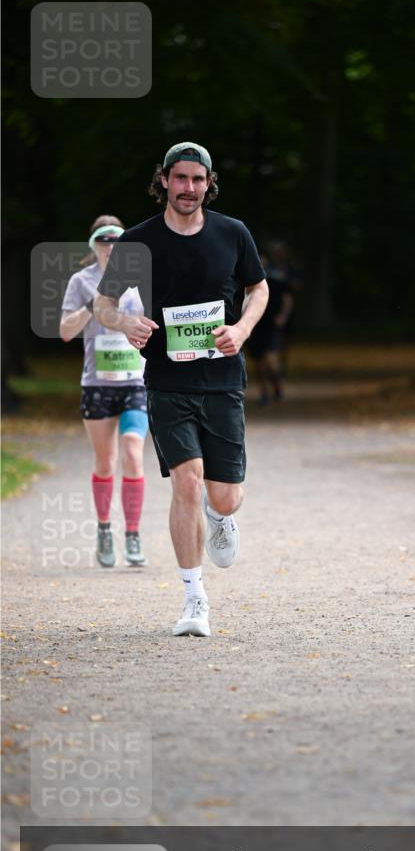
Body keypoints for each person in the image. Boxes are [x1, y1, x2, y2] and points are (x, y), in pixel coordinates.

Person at [94, 142, 269, 637]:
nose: (188, 188)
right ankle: (194, 598)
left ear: (208, 183)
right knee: (187, 479)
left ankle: (221, 515)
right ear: (164, 181)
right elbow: (103, 305)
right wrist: (124, 320)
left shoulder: (233, 234)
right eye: (180, 179)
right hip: (168, 381)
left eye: (198, 180)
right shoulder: (137, 241)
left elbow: (258, 289)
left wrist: (243, 330)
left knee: (225, 495)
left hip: (223, 381)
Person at [60, 215, 149, 568]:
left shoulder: (139, 279)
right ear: (94, 244)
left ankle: (132, 534)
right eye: (104, 240)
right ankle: (103, 530)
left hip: (135, 380)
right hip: (97, 383)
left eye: (117, 240)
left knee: (133, 453)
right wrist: (93, 304)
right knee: (105, 461)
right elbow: (65, 331)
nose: (111, 246)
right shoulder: (81, 281)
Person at [245, 253, 294, 404]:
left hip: (271, 325)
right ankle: (264, 392)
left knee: (270, 359)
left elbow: (287, 299)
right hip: (254, 324)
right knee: (258, 362)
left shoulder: (276, 281)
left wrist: (282, 317)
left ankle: (277, 384)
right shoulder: (246, 280)